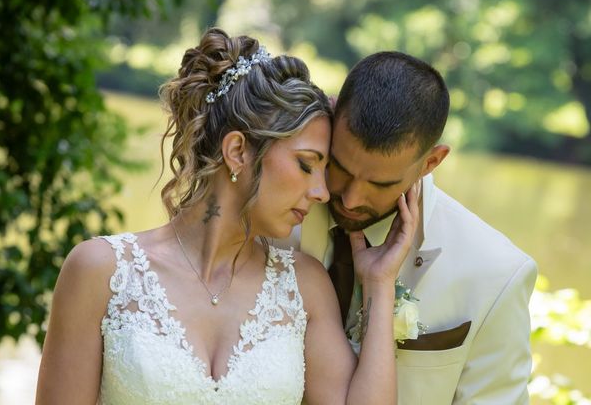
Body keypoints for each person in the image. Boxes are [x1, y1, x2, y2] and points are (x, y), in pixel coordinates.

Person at [35, 29, 421, 404]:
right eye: (307, 166)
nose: (322, 192)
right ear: (237, 151)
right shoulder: (99, 272)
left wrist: (379, 282)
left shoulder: (304, 287)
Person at [287, 51, 538, 404]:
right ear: (330, 115)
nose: (351, 198)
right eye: (341, 168)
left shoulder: (497, 273)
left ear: (431, 162)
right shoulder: (273, 222)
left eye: (380, 183)